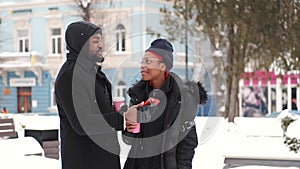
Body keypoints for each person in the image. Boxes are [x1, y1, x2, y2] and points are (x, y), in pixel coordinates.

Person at [122, 39, 207, 169]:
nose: (143, 65)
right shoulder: (138, 95)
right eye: (142, 61)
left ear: (163, 66)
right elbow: (129, 140)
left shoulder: (182, 97)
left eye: (148, 61)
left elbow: (188, 142)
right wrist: (129, 127)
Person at [55, 21, 126, 169]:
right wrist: (122, 119)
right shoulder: (71, 76)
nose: (101, 45)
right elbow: (83, 123)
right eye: (95, 41)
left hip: (104, 159)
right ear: (80, 44)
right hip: (85, 161)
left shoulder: (92, 73)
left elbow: (100, 112)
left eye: (101, 40)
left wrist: (122, 112)